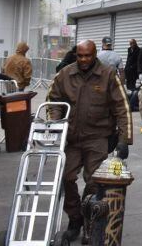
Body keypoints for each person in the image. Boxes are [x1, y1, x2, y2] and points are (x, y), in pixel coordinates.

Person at [46, 39, 132, 241]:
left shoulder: (109, 74)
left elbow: (122, 106)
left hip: (98, 137)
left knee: (94, 182)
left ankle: (89, 221)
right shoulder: (65, 74)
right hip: (72, 138)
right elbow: (53, 100)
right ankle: (75, 218)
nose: (84, 59)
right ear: (76, 55)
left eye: (88, 56)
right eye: (80, 55)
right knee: (66, 178)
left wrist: (124, 139)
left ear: (95, 55)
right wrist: (56, 122)